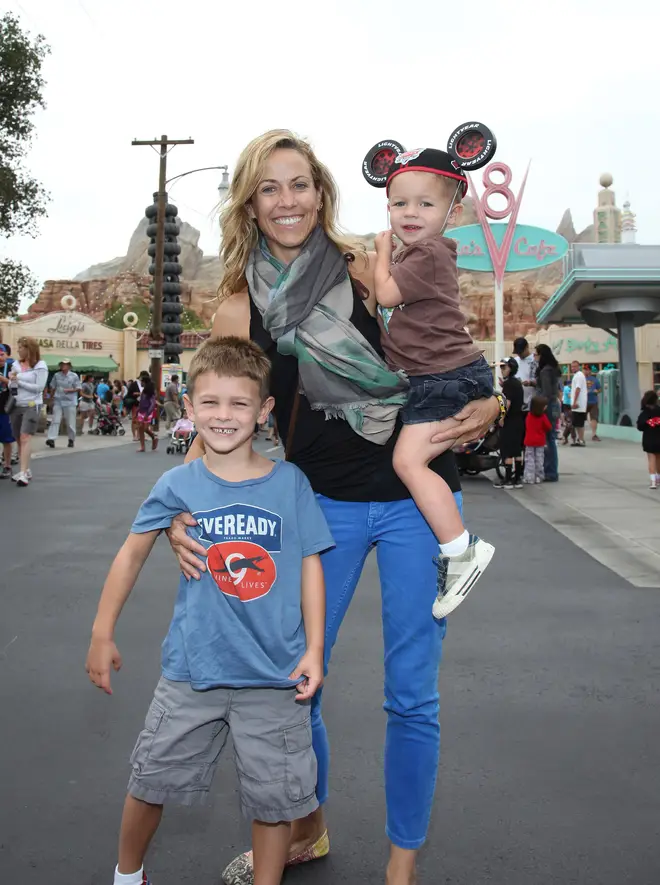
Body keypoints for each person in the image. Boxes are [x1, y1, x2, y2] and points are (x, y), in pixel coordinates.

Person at [162, 130, 501, 885]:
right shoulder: (238, 302)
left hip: (417, 495)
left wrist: (494, 400)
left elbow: (450, 346)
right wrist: (178, 508)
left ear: (322, 192)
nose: (287, 201)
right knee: (296, 682)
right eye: (270, 188)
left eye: (300, 185)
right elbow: (225, 413)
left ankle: (402, 864)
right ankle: (308, 826)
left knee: (412, 694)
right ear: (251, 201)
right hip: (321, 506)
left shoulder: (366, 261)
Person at [85, 337, 334, 885]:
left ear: (265, 411)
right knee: (150, 779)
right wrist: (102, 632)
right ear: (189, 407)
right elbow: (131, 553)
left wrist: (315, 648)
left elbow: (312, 565)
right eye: (211, 403)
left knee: (274, 799)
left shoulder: (290, 484)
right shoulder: (177, 484)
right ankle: (128, 874)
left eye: (240, 403)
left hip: (274, 676)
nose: (224, 416)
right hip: (192, 672)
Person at [372, 147, 495, 615]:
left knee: (408, 462)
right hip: (440, 375)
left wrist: (381, 252)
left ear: (452, 211)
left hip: (443, 377)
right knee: (412, 460)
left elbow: (385, 293)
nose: (410, 213)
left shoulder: (426, 253)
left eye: (425, 204)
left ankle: (460, 549)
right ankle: (456, 547)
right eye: (400, 203)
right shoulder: (424, 252)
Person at [6, 337, 48, 486]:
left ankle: (23, 472)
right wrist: (12, 381)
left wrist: (19, 381)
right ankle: (26, 469)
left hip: (32, 404)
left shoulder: (40, 366)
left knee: (25, 437)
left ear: (29, 349)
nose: (18, 350)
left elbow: (39, 387)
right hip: (16, 403)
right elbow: (12, 385)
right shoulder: (16, 365)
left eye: (21, 348)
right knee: (17, 436)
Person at [493, 358, 525, 490]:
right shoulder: (517, 383)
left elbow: (508, 403)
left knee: (507, 451)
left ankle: (507, 479)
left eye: (504, 367)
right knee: (517, 451)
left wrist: (501, 418)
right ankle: (517, 479)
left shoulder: (509, 384)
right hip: (519, 420)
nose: (502, 370)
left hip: (510, 421)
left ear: (510, 368)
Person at [534, 344, 562, 482]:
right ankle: (551, 470)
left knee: (547, 439)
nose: (535, 357)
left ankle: (550, 471)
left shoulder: (545, 371)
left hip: (547, 407)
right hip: (554, 405)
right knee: (551, 438)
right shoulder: (553, 369)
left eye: (536, 354)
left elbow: (546, 392)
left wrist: (540, 408)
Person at [46, 359, 82, 449]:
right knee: (55, 420)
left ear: (69, 366)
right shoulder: (56, 375)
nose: (63, 366)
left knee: (70, 422)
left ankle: (71, 439)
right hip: (58, 400)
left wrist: (69, 390)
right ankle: (51, 439)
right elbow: (53, 387)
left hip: (70, 401)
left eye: (65, 364)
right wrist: (51, 399)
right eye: (62, 364)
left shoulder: (74, 376)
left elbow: (78, 388)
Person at [523, 396, 552, 484]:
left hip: (529, 441)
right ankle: (538, 476)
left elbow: (526, 426)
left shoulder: (529, 416)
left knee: (529, 459)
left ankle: (529, 477)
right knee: (539, 459)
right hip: (540, 441)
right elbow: (548, 427)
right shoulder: (543, 417)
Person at [636, 390, 660, 489]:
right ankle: (659, 477)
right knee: (659, 459)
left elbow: (640, 426)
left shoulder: (644, 413)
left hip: (649, 439)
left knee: (651, 459)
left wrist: (649, 423)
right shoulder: (659, 410)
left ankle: (653, 481)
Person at [0, 344, 15, 479]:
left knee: (6, 439)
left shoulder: (11, 367)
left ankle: (7, 465)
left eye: (2, 354)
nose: (0, 357)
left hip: (5, 408)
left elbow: (15, 385)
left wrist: (2, 378)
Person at [512, 337, 536, 412]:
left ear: (527, 347)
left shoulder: (534, 360)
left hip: (532, 402)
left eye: (521, 352)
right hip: (518, 402)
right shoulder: (515, 361)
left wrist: (530, 383)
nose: (519, 354)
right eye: (518, 352)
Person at [136, 375, 158, 452]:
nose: (140, 383)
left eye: (141, 381)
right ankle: (142, 446)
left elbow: (152, 404)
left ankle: (154, 437)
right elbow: (141, 402)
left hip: (147, 411)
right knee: (140, 428)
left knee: (145, 428)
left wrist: (147, 414)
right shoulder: (143, 391)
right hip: (141, 411)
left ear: (144, 382)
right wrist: (138, 410)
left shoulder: (151, 392)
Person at [570, 360, 587, 447]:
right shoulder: (576, 376)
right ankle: (578, 439)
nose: (573, 368)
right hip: (576, 404)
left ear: (579, 366)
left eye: (575, 366)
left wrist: (574, 402)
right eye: (572, 366)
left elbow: (578, 389)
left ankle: (581, 439)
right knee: (576, 423)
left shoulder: (579, 375)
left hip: (579, 404)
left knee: (580, 423)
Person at [584, 365, 601, 442]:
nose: (586, 371)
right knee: (581, 418)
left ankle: (594, 434)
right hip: (583, 402)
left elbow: (600, 389)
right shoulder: (581, 379)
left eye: (587, 369)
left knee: (594, 418)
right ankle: (580, 435)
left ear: (590, 371)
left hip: (593, 401)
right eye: (585, 369)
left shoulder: (595, 380)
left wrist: (597, 391)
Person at [561, 377, 575, 445]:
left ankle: (565, 437)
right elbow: (570, 396)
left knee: (570, 423)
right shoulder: (567, 388)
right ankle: (573, 438)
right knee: (570, 423)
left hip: (570, 406)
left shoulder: (570, 388)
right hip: (567, 406)